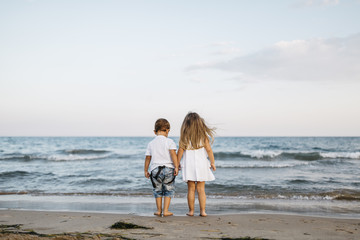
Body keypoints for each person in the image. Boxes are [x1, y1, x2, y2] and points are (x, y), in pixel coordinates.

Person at [177, 112, 216, 217]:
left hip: (189, 165)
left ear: (186, 125)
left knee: (191, 189)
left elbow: (180, 152)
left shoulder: (184, 138)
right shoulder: (203, 137)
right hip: (202, 164)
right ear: (199, 124)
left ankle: (191, 211)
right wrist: (212, 162)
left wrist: (176, 164)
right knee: (201, 189)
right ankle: (203, 211)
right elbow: (209, 150)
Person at [144, 118, 178, 217]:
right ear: (168, 130)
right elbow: (173, 154)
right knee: (168, 189)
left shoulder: (151, 143)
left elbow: (147, 158)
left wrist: (146, 170)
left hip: (155, 170)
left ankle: (159, 210)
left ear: (155, 132)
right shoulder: (170, 141)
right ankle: (166, 210)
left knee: (157, 190)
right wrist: (176, 167)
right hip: (168, 169)